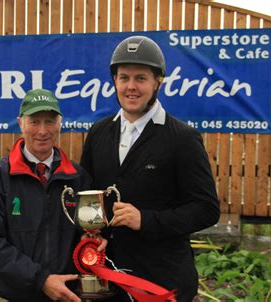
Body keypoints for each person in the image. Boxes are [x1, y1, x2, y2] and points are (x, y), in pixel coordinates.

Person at [80, 36, 220, 302]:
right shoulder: (98, 133)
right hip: (107, 279)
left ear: (158, 82)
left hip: (161, 281)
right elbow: (88, 198)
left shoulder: (182, 138)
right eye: (124, 78)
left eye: (141, 78)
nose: (131, 87)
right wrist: (96, 236)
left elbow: (206, 209)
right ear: (115, 81)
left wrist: (146, 220)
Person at [0, 89, 92, 302]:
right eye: (34, 121)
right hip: (8, 295)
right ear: (21, 123)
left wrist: (91, 239)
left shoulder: (77, 178)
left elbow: (85, 234)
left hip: (63, 295)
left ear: (60, 123)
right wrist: (42, 280)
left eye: (49, 121)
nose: (42, 130)